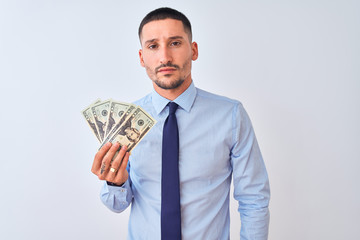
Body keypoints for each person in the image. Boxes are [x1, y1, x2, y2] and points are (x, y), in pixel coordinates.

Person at [91, 7, 270, 240]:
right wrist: (116, 184)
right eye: (153, 46)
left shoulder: (231, 116)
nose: (164, 57)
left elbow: (254, 198)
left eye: (175, 43)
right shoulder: (125, 121)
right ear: (142, 57)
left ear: (193, 50)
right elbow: (116, 205)